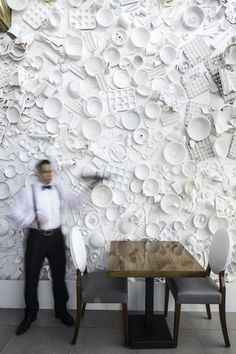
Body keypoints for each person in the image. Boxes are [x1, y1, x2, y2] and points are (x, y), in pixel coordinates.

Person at [9, 159, 95, 336]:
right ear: (39, 173)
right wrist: (32, 219)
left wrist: (89, 188)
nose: (49, 175)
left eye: (51, 171)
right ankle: (30, 315)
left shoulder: (59, 188)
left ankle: (61, 311)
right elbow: (14, 212)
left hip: (56, 237)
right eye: (45, 172)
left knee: (59, 276)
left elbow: (75, 202)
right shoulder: (28, 191)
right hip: (36, 238)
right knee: (32, 278)